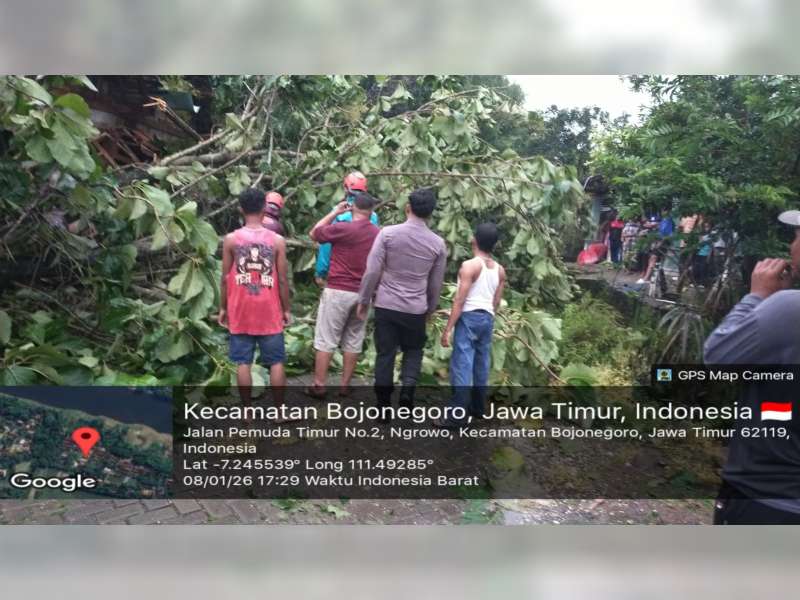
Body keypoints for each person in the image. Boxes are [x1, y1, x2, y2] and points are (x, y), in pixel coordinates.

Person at [704, 210, 800, 524]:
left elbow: (718, 359)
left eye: (797, 236)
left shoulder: (789, 310)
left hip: (766, 504)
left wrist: (757, 296)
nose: (791, 246)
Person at [356, 187, 447, 418]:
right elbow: (435, 284)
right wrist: (430, 308)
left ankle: (383, 406)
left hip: (386, 305)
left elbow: (372, 270)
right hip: (415, 308)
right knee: (414, 350)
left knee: (385, 354)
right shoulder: (437, 244)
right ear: (431, 213)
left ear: (408, 207)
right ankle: (407, 391)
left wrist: (364, 299)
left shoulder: (387, 234)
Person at [218, 188, 292, 415]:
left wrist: (223, 308)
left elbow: (225, 278)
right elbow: (281, 279)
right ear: (264, 208)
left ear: (240, 209)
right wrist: (286, 309)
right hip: (269, 309)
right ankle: (279, 413)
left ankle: (247, 414)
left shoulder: (231, 239)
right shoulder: (277, 241)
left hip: (241, 308)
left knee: (243, 363)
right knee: (276, 362)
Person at [306, 192, 380, 398]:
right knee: (353, 339)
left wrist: (334, 212)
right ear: (372, 210)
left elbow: (314, 233)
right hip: (363, 294)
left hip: (338, 290)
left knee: (326, 338)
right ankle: (345, 385)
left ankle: (319, 385)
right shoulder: (378, 234)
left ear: (352, 207)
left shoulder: (343, 228)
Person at [435, 223, 506, 427]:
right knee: (481, 366)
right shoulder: (500, 270)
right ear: (495, 244)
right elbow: (496, 302)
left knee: (462, 366)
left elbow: (460, 300)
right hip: (487, 319)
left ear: (474, 240)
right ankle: (477, 408)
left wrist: (448, 328)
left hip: (469, 318)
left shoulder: (470, 266)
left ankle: (456, 418)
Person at [314, 171, 379, 287]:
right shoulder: (373, 217)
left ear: (345, 188)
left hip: (338, 280)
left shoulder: (338, 213)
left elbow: (326, 245)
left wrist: (321, 272)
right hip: (362, 279)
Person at [637, 208, 674, 284]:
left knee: (653, 258)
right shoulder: (663, 220)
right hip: (658, 241)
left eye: (665, 210)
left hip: (663, 242)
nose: (663, 212)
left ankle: (646, 278)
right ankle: (649, 277)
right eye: (663, 210)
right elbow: (657, 229)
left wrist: (660, 243)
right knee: (652, 259)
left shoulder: (668, 221)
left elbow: (666, 235)